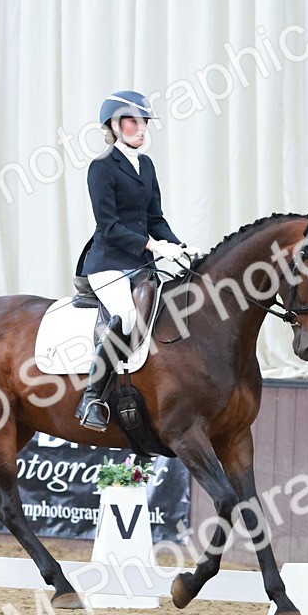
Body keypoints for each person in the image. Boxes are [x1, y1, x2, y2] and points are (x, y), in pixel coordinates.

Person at [74, 90, 200, 431]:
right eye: (133, 122)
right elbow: (109, 226)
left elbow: (155, 217)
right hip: (108, 263)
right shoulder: (101, 168)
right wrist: (156, 247)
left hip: (141, 264)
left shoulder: (146, 165)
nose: (142, 128)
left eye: (144, 122)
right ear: (115, 126)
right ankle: (91, 399)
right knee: (126, 317)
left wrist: (177, 246)